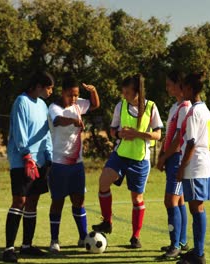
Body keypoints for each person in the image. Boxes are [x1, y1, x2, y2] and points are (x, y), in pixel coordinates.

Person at [92, 74, 163, 249]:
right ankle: (107, 222)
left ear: (137, 92)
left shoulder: (151, 107)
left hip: (140, 159)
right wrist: (119, 134)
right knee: (103, 182)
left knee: (137, 199)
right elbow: (112, 130)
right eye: (123, 91)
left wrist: (138, 134)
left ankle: (135, 237)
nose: (124, 95)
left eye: (127, 92)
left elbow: (158, 134)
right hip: (120, 155)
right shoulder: (120, 106)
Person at [3, 71, 54, 263]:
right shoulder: (21, 102)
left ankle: (26, 246)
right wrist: (26, 156)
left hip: (40, 161)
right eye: (48, 87)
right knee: (19, 201)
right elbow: (19, 131)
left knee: (32, 202)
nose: (50, 91)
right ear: (38, 86)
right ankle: (9, 249)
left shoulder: (43, 105)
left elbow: (45, 133)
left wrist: (48, 156)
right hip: (22, 161)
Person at [47, 73, 100, 252]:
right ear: (63, 93)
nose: (74, 98)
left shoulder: (78, 105)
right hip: (59, 163)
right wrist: (74, 120)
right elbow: (58, 120)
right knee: (58, 201)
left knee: (79, 200)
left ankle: (83, 236)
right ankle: (54, 240)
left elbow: (95, 105)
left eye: (76, 95)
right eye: (70, 95)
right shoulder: (54, 107)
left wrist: (93, 92)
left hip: (77, 164)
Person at [176, 72, 210, 264]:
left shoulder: (193, 112)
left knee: (196, 207)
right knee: (196, 206)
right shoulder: (205, 109)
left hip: (195, 163)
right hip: (203, 161)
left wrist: (182, 167)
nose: (181, 91)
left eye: (183, 87)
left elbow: (190, 143)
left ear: (190, 89)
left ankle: (199, 254)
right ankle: (197, 251)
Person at [156, 70, 191, 258]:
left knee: (170, 201)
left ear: (179, 85)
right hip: (171, 158)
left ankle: (175, 245)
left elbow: (178, 139)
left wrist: (165, 157)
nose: (167, 87)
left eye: (170, 84)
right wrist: (162, 154)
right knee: (179, 200)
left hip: (178, 158)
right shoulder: (174, 107)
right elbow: (169, 135)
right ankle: (181, 241)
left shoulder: (186, 107)